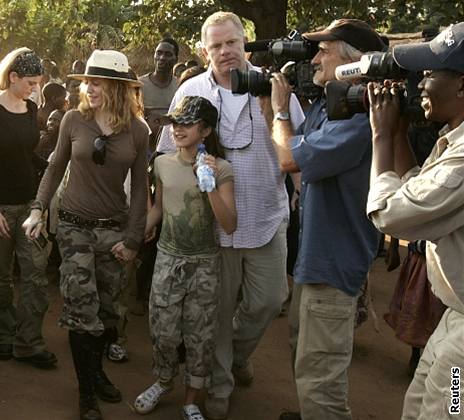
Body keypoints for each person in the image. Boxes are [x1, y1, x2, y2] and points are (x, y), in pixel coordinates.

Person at [156, 12, 305, 419]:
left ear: (246, 42)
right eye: (216, 45)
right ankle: (220, 386)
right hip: (213, 227)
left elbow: (299, 150)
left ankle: (237, 354)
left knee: (268, 301)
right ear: (205, 50)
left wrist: (296, 195)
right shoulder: (191, 90)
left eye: (232, 43)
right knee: (218, 312)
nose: (225, 52)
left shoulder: (277, 89)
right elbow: (169, 152)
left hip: (266, 217)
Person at [268, 19, 385, 420]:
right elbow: (302, 161)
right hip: (315, 260)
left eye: (325, 50)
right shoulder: (331, 106)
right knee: (304, 351)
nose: (315, 57)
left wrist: (280, 110)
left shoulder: (356, 120)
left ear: (353, 62)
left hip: (333, 266)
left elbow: (287, 158)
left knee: (321, 384)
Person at [23, 49, 149, 420]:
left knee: (108, 314)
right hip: (75, 227)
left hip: (114, 230)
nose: (88, 88)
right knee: (82, 314)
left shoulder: (138, 130)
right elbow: (54, 167)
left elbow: (141, 188)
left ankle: (97, 372)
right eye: (87, 82)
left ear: (118, 87)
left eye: (97, 82)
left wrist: (132, 238)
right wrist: (37, 209)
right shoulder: (73, 120)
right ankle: (87, 393)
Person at [366, 22, 464, 419]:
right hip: (453, 321)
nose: (419, 84)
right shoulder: (451, 139)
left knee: (448, 410)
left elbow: (390, 213)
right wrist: (400, 133)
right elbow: (415, 187)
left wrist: (381, 139)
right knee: (419, 407)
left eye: (430, 74)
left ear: (461, 86)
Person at [133, 96, 236, 420]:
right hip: (167, 259)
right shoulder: (162, 163)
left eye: (186, 123)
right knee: (162, 330)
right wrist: (132, 240)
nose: (177, 129)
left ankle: (191, 399)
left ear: (205, 130)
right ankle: (164, 380)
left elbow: (230, 224)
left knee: (200, 335)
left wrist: (208, 185)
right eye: (175, 122)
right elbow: (159, 209)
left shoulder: (221, 168)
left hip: (204, 264)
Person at [0, 48, 56, 368]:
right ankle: (3, 335)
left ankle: (29, 341)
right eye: (31, 81)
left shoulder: (31, 108)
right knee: (0, 278)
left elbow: (25, 153)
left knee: (35, 277)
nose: (35, 87)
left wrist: (53, 168)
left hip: (29, 206)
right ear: (13, 77)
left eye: (38, 82)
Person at [139, 38, 179, 141]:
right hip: (145, 144)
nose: (161, 58)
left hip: (173, 143)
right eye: (159, 53)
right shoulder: (139, 85)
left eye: (168, 54)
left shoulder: (180, 86)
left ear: (176, 59)